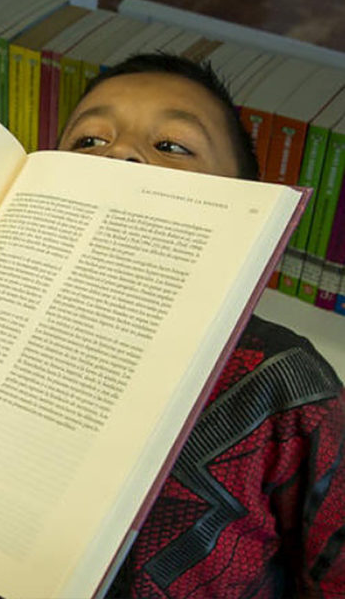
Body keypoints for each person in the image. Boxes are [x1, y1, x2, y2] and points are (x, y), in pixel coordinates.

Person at [58, 52, 345, 598]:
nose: (121, 155)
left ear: (247, 215)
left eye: (170, 146)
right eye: (90, 141)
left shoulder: (288, 383)